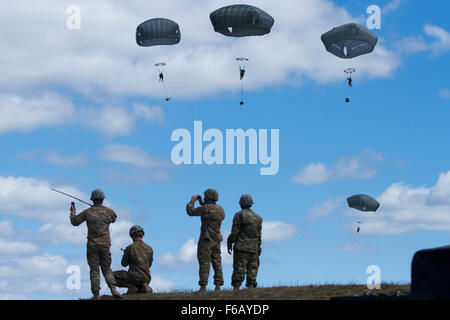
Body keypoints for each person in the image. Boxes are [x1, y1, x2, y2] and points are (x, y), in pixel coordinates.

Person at [70, 189, 122, 300]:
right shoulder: (109, 212)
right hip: (105, 245)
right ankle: (113, 289)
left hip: (92, 246)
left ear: (92, 199)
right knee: (107, 269)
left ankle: (96, 295)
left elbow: (74, 222)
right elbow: (114, 218)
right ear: (103, 199)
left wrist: (73, 211)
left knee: (94, 270)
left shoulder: (87, 212)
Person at [186, 189, 225, 292]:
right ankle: (218, 285)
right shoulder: (220, 209)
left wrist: (192, 200)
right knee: (217, 262)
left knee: (204, 262)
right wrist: (202, 203)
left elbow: (191, 212)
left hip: (206, 240)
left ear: (208, 197)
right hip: (217, 239)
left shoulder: (205, 209)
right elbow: (209, 211)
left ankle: (203, 286)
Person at [227, 194, 262, 290]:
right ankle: (251, 287)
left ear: (241, 203)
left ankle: (236, 288)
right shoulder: (258, 218)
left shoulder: (239, 215)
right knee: (253, 268)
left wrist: (229, 243)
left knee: (239, 268)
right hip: (254, 248)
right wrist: (258, 247)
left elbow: (235, 233)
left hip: (241, 247)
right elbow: (259, 235)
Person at [113, 225, 154, 295]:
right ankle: (144, 286)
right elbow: (149, 265)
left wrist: (126, 254)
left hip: (134, 278)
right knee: (139, 283)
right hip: (147, 278)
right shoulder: (150, 248)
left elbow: (124, 264)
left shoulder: (130, 248)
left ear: (132, 235)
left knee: (112, 275)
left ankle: (132, 287)